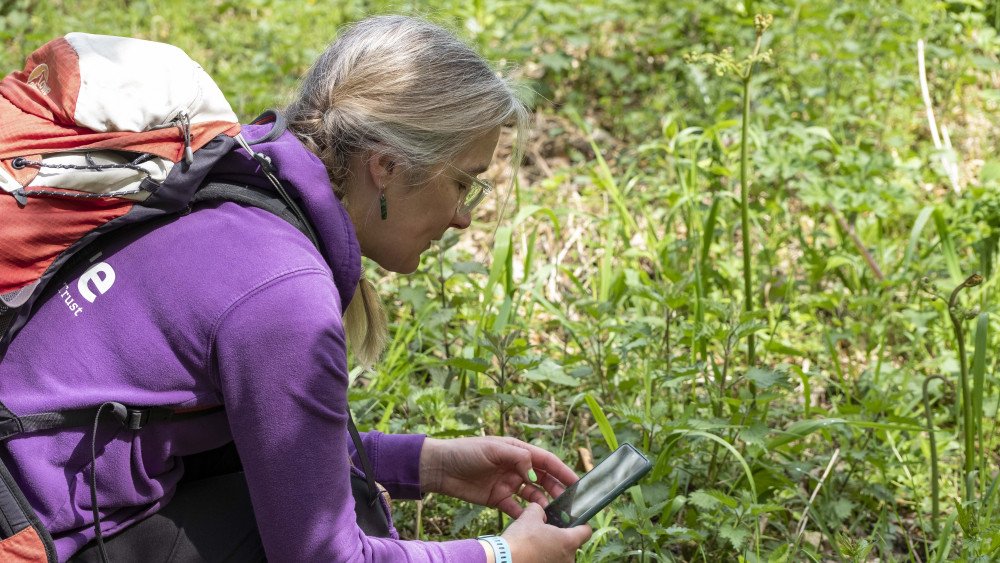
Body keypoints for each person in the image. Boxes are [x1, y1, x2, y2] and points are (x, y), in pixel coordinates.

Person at [0, 14, 593, 563]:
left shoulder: (242, 178)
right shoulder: (283, 296)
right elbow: (325, 555)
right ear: (384, 165)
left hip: (28, 486)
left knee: (342, 488)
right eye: (464, 182)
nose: (464, 216)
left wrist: (429, 464)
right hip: (30, 533)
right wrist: (502, 554)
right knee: (351, 510)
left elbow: (267, 439)